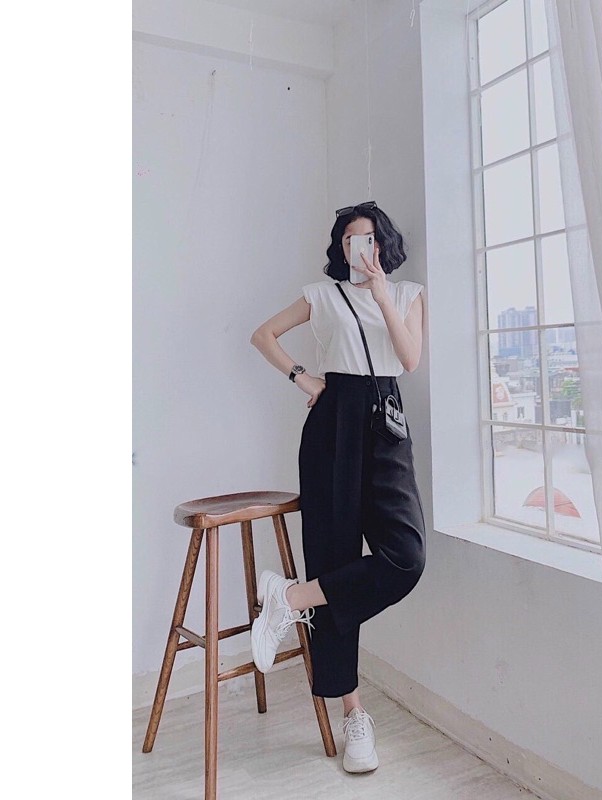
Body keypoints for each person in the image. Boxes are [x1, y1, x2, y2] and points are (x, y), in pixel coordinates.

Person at [248, 201, 426, 773]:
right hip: (333, 423)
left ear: (383, 243)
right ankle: (353, 715)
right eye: (350, 240)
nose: (360, 248)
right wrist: (303, 377)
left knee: (406, 558)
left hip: (386, 419)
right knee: (332, 557)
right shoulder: (321, 295)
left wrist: (381, 295)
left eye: (368, 238)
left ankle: (290, 598)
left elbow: (410, 359)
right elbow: (263, 334)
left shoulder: (408, 294)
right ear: (340, 247)